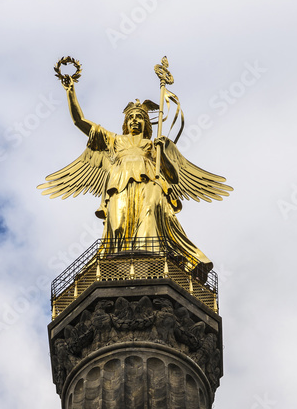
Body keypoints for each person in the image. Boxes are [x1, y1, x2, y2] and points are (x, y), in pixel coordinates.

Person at [39, 79, 233, 276]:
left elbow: (173, 177)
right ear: (125, 122)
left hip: (151, 183)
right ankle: (122, 264)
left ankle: (149, 262)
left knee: (149, 216)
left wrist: (163, 151)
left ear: (146, 123)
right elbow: (79, 121)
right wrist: (70, 91)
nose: (134, 120)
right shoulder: (114, 141)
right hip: (119, 185)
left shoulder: (154, 144)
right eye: (131, 117)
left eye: (139, 117)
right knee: (119, 223)